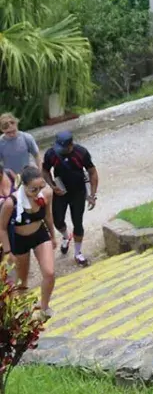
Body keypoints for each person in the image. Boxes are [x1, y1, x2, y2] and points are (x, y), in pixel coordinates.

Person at [0, 166, 57, 320]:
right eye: (33, 189)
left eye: (41, 187)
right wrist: (7, 251)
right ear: (23, 185)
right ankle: (23, 312)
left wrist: (52, 235)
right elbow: (2, 228)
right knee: (22, 281)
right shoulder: (11, 203)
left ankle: (44, 308)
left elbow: (48, 216)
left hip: (39, 234)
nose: (38, 191)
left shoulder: (46, 194)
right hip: (19, 240)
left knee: (50, 273)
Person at [42, 131, 98, 266]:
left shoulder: (81, 153)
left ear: (71, 145)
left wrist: (92, 195)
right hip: (60, 192)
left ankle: (78, 253)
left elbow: (92, 172)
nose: (60, 151)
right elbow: (45, 171)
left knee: (78, 222)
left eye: (63, 148)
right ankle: (66, 236)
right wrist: (52, 185)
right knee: (58, 221)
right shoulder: (51, 153)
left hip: (78, 193)